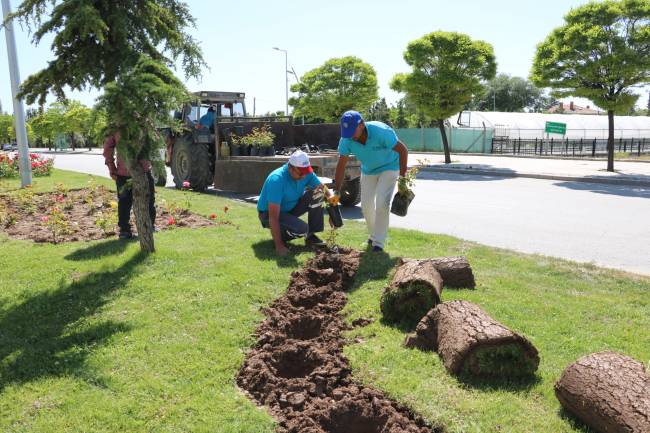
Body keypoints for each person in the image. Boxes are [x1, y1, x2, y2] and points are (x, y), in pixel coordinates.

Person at [334, 110, 408, 252]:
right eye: (347, 132)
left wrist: (402, 180)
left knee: (381, 202)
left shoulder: (381, 132)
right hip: (368, 170)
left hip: (389, 167)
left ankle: (378, 243)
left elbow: (403, 150)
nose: (350, 136)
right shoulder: (346, 139)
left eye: (352, 131)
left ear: (361, 124)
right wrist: (336, 192)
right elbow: (341, 165)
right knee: (366, 205)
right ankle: (374, 234)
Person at [257, 150, 327, 256]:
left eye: (306, 172)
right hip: (268, 214)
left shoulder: (305, 173)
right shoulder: (277, 180)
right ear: (290, 168)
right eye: (301, 173)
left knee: (319, 193)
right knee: (302, 229)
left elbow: (322, 189)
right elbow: (273, 217)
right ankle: (280, 237)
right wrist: (279, 246)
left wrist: (333, 207)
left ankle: (311, 237)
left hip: (290, 209)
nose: (304, 176)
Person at [103, 132, 157, 239]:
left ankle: (149, 227)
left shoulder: (144, 121)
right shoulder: (116, 126)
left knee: (149, 199)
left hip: (144, 171)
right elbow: (108, 148)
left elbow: (155, 142)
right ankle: (124, 231)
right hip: (124, 173)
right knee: (124, 202)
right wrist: (111, 168)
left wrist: (155, 164)